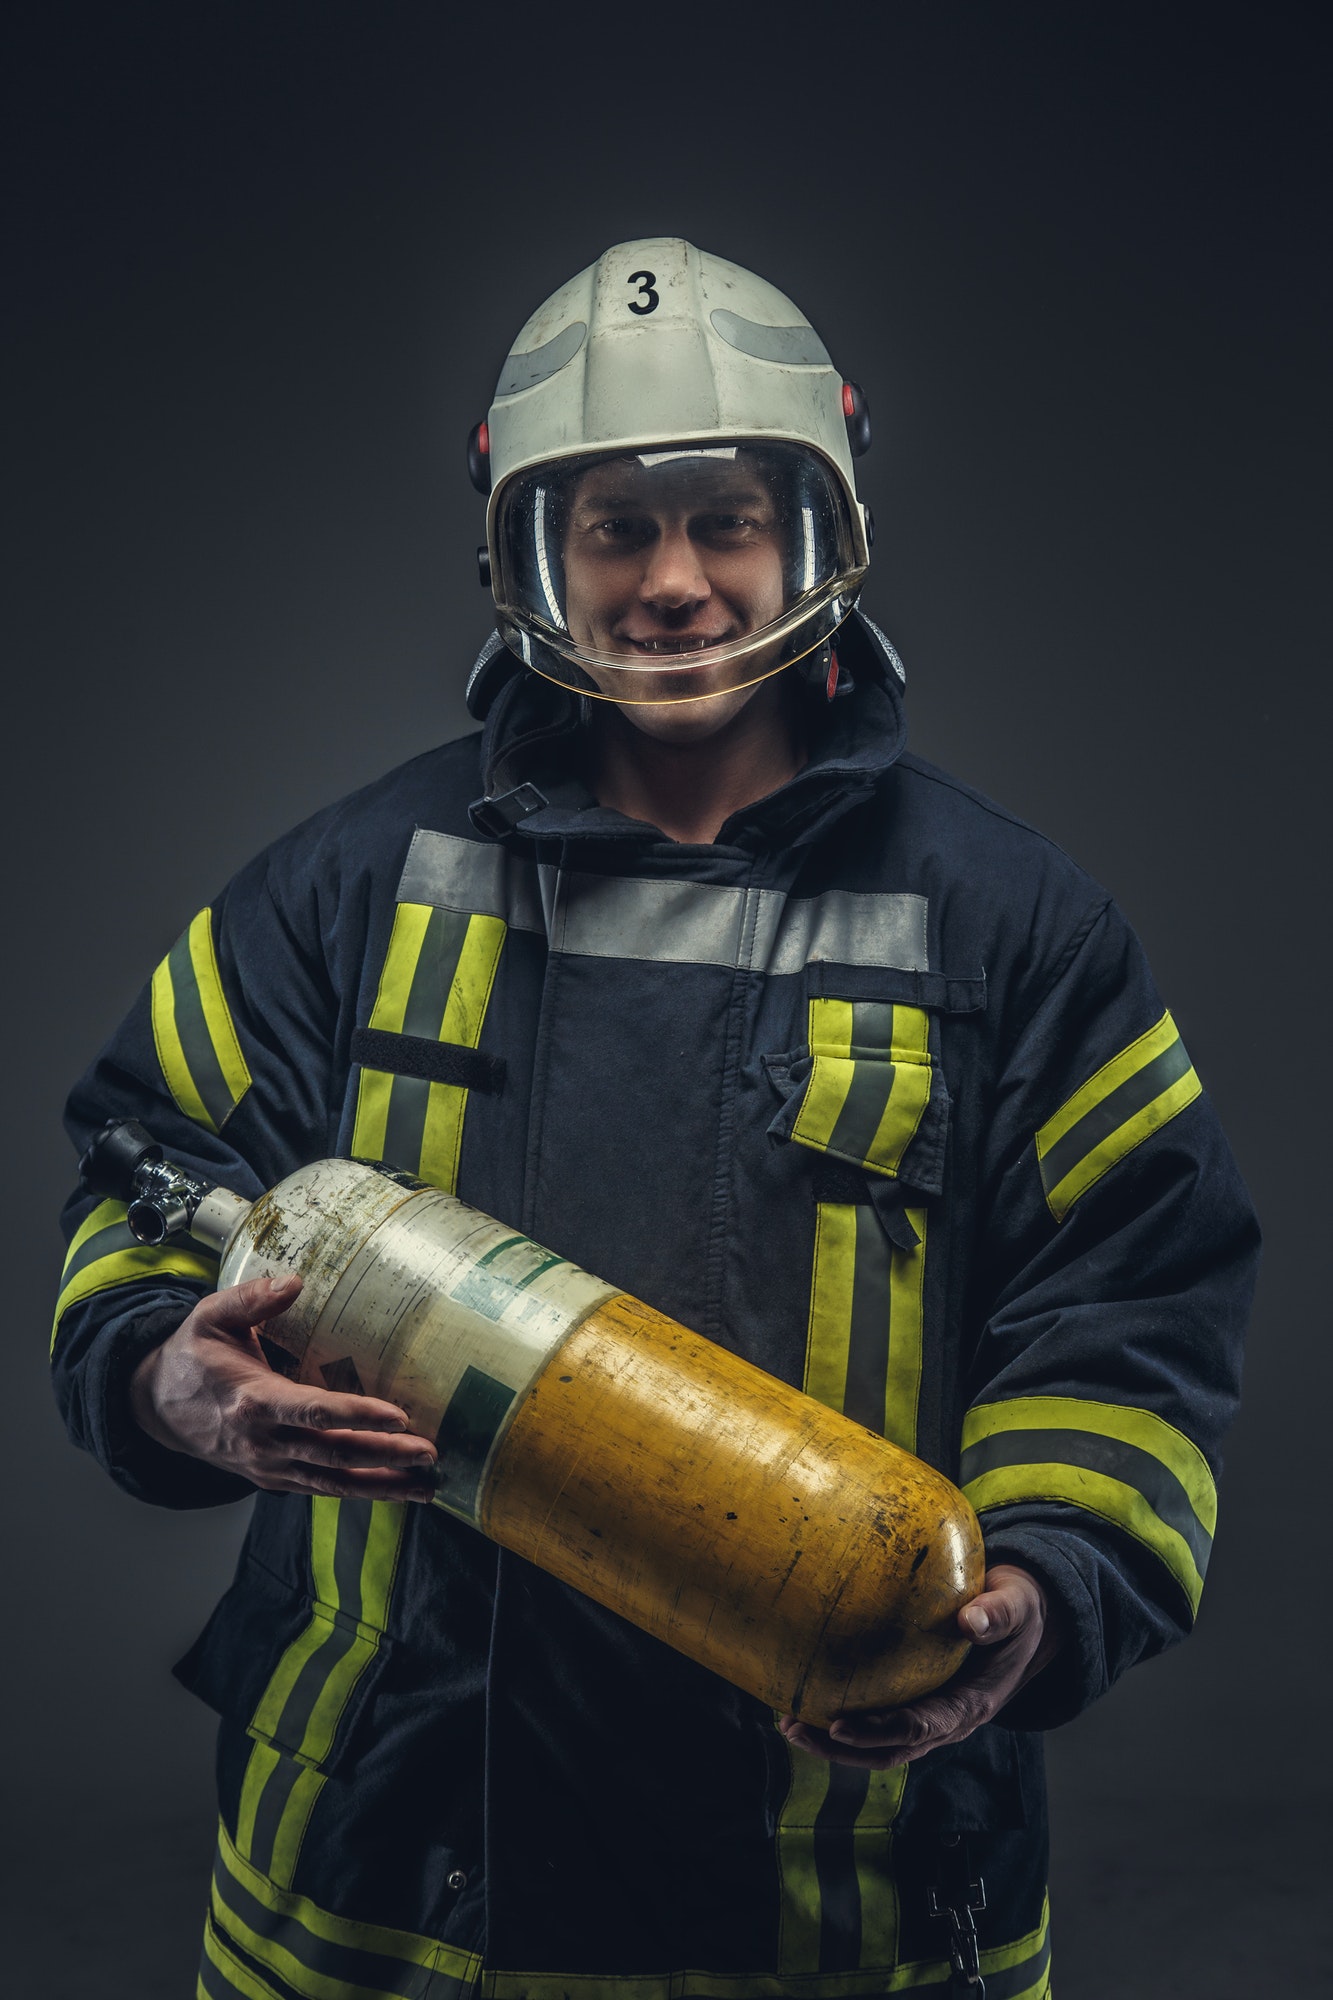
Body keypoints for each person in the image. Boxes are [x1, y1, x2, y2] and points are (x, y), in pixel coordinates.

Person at [52, 238, 1258, 1999]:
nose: (676, 582)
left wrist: (1045, 1590)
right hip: (382, 1880)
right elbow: (143, 1168)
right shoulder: (347, 887)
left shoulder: (1012, 930)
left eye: (727, 519)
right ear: (523, 555)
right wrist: (172, 1379)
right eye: (612, 526)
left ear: (821, 527)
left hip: (835, 1877)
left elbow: (1134, 1312)